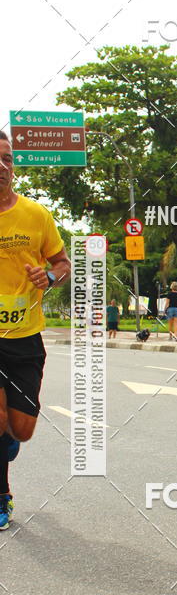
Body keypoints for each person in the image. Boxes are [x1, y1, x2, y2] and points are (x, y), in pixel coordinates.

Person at [0, 130, 71, 530]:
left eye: (7, 159)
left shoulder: (35, 214)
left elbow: (62, 263)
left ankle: (8, 441)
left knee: (20, 430)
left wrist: (48, 276)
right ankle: (1, 496)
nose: (2, 167)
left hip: (25, 336)